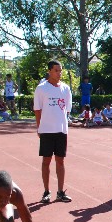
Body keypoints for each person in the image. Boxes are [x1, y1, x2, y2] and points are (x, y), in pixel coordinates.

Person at [34, 60, 73, 203]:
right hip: (46, 130)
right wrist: (39, 127)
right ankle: (46, 192)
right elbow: (37, 109)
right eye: (56, 70)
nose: (59, 73)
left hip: (61, 130)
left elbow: (67, 110)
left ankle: (60, 192)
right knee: (46, 161)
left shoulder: (66, 89)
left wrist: (64, 124)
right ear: (49, 71)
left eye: (60, 70)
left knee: (60, 161)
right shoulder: (41, 88)